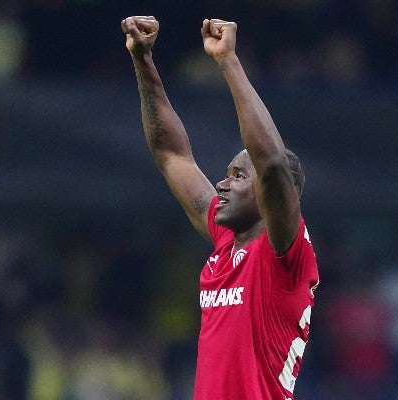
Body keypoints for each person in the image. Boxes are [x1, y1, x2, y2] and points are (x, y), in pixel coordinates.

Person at [121, 15, 319, 400]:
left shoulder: (285, 255)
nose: (222, 183)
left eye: (238, 176)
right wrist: (143, 60)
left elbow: (273, 163)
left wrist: (228, 61)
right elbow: (172, 155)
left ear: (271, 194)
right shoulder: (226, 239)